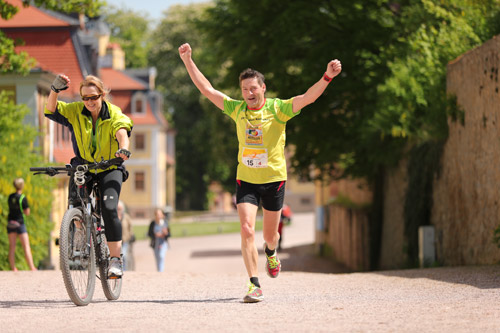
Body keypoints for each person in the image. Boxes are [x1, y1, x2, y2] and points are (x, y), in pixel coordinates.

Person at [179, 42, 342, 303]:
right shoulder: (237, 110)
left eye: (253, 88)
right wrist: (188, 60)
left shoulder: (278, 109)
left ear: (262, 88)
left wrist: (327, 77)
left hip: (274, 180)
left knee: (270, 235)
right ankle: (254, 284)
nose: (248, 93)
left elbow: (308, 97)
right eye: (244, 89)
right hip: (247, 181)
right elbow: (206, 90)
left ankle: (271, 252)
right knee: (246, 229)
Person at [45, 74, 133, 279]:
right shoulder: (75, 111)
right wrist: (54, 90)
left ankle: (115, 260)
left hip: (110, 167)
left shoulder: (113, 113)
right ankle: (79, 229)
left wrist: (123, 150)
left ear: (102, 95)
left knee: (110, 209)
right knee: (75, 204)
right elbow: (51, 109)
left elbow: (122, 131)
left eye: (93, 97)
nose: (89, 102)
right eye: (85, 98)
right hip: (84, 166)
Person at [6, 178, 37, 271]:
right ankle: (32, 267)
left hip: (10, 222)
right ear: (22, 186)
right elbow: (27, 212)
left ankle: (13, 268)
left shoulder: (10, 197)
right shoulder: (22, 198)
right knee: (26, 246)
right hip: (20, 224)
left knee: (12, 246)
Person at [148, 208, 170, 272]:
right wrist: (155, 234)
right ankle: (158, 271)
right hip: (155, 243)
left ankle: (161, 271)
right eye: (157, 214)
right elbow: (149, 233)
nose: (158, 216)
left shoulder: (165, 222)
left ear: (162, 215)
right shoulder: (153, 223)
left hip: (163, 243)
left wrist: (166, 233)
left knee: (161, 256)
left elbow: (169, 234)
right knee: (157, 257)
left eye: (160, 214)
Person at [117, 200, 135, 271]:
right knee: (116, 255)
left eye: (120, 209)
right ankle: (118, 269)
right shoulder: (114, 217)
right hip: (116, 240)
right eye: (117, 208)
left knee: (124, 255)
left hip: (125, 240)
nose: (119, 210)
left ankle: (124, 270)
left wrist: (130, 235)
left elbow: (130, 227)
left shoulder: (126, 217)